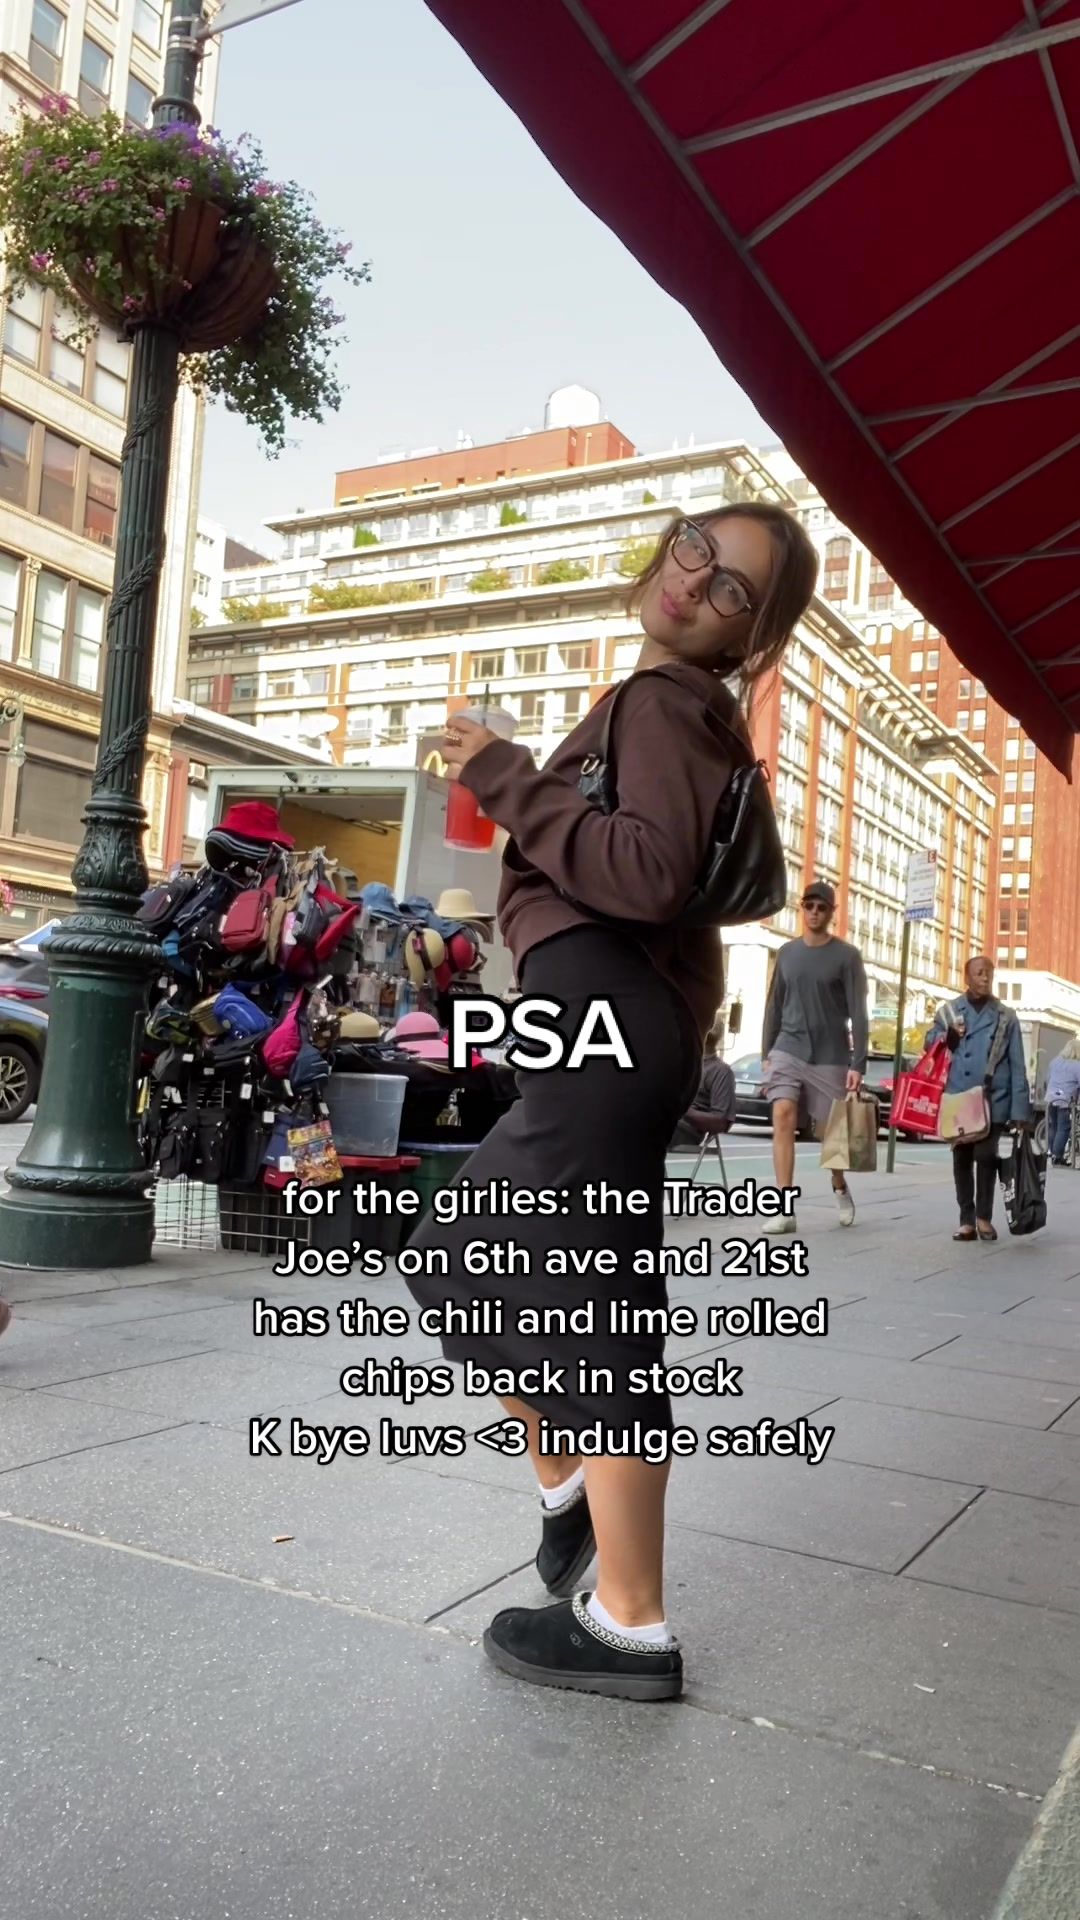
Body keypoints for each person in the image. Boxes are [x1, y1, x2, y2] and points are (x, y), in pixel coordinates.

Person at [405, 506, 818, 1702]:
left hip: (610, 1014)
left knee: (590, 1304)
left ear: (749, 635)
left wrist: (501, 773)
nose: (697, 583)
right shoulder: (656, 705)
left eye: (733, 589)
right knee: (460, 1254)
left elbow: (644, 872)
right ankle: (573, 1491)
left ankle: (631, 1622)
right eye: (696, 550)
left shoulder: (666, 703)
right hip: (593, 1013)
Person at [761, 881, 868, 1233]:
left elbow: (858, 1012)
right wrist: (766, 1052)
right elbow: (774, 1006)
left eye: (822, 907)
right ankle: (784, 1209)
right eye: (809, 906)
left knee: (829, 1135)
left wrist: (858, 1063)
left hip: (830, 1053)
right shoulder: (787, 953)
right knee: (782, 1114)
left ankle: (839, 1185)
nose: (814, 912)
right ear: (801, 908)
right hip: (788, 1048)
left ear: (832, 913)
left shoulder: (847, 956)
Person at [928, 956, 1031, 1241]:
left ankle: (984, 1217)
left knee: (986, 1155)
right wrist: (948, 1035)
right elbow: (930, 1044)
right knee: (961, 1157)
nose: (985, 978)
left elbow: (1018, 1064)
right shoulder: (949, 1011)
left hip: (993, 1098)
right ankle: (966, 1220)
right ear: (966, 977)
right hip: (960, 1096)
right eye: (979, 973)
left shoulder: (1006, 1016)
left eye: (989, 973)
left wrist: (1019, 1111)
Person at [670, 1022, 736, 1149]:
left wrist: (683, 1111)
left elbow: (721, 1122)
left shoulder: (720, 1071)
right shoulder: (678, 1060)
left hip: (684, 1128)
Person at [1045, 1037, 1080, 1167]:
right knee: (1063, 1129)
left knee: (1053, 1126)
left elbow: (1047, 1079)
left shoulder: (1055, 1061)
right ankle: (1057, 1156)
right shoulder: (1077, 1065)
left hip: (1051, 1099)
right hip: (1065, 1100)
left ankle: (1051, 1153)